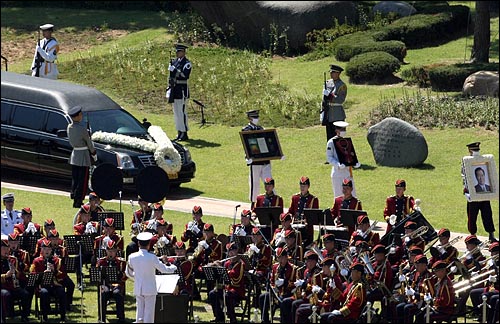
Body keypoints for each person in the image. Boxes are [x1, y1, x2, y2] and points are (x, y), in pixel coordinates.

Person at [125, 231, 175, 323]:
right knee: (149, 314)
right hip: (150, 289)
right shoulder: (152, 257)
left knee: (139, 313)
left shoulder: (132, 257)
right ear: (149, 244)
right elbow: (164, 269)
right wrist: (173, 267)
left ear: (139, 244)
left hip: (138, 287)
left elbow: (128, 272)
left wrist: (136, 278)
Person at [462, 142, 496, 242]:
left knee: (487, 214)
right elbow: (465, 178)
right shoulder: (467, 162)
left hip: (484, 193)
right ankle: (473, 235)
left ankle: (491, 234)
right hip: (473, 193)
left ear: (469, 151)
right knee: (472, 216)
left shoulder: (484, 161)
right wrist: (467, 192)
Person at [30, 238, 67, 322]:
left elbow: (63, 276)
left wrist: (55, 271)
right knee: (44, 293)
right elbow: (32, 275)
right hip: (42, 286)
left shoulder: (57, 260)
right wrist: (43, 274)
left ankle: (63, 315)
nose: (47, 251)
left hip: (55, 285)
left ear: (51, 250)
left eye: (49, 249)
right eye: (44, 249)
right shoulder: (36, 261)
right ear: (41, 250)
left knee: (61, 291)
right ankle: (45, 316)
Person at [67, 105, 97, 208]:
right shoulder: (82, 129)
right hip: (83, 155)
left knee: (75, 178)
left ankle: (74, 195)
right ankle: (79, 199)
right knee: (82, 180)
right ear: (77, 116)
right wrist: (93, 153)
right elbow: (89, 143)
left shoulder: (69, 127)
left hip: (75, 155)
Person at [242, 110, 274, 205]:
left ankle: (272, 202)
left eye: (257, 117)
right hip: (255, 161)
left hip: (265, 161)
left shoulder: (261, 128)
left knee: (269, 181)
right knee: (254, 184)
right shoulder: (246, 130)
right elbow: (247, 144)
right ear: (250, 118)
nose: (256, 119)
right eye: (254, 117)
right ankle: (253, 204)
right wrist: (247, 158)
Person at [1, 235, 32, 323]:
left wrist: (15, 271)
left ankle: (25, 316)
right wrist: (6, 275)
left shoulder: (13, 259)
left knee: (25, 294)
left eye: (7, 248)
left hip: (13, 286)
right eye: (4, 248)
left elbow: (18, 275)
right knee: (6, 294)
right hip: (2, 287)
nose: (6, 250)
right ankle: (4, 317)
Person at [326, 121, 361, 198]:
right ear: (336, 131)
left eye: (344, 129)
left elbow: (350, 154)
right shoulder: (331, 142)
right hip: (338, 173)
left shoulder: (346, 142)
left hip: (347, 173)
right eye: (341, 129)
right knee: (339, 197)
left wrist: (355, 163)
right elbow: (329, 157)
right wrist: (337, 164)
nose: (343, 131)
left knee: (353, 196)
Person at [96, 239, 127, 323]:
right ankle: (101, 318)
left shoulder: (121, 262)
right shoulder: (101, 261)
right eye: (109, 250)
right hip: (105, 286)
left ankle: (121, 318)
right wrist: (102, 285)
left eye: (113, 251)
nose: (111, 253)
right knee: (103, 295)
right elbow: (97, 277)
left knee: (118, 294)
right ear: (106, 250)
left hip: (117, 286)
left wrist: (119, 284)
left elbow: (125, 276)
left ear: (116, 251)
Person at [167, 43, 192, 141]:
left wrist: (175, 70)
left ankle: (184, 132)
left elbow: (185, 76)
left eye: (179, 51)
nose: (177, 53)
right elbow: (171, 77)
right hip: (175, 90)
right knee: (176, 112)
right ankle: (179, 131)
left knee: (182, 112)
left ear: (183, 52)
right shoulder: (174, 62)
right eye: (176, 51)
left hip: (182, 90)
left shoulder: (187, 63)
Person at [288, 176, 319, 247]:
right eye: (301, 185)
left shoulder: (313, 199)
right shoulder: (295, 198)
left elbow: (314, 216)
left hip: (307, 229)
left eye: (304, 186)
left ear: (308, 186)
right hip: (295, 226)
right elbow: (291, 211)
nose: (302, 188)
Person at [321, 64, 347, 142]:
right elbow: (324, 100)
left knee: (339, 136)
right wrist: (322, 112)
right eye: (331, 72)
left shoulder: (342, 85)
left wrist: (330, 95)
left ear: (338, 73)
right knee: (330, 138)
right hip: (328, 114)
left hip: (337, 114)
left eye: (333, 72)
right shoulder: (327, 83)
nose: (331, 74)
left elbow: (340, 100)